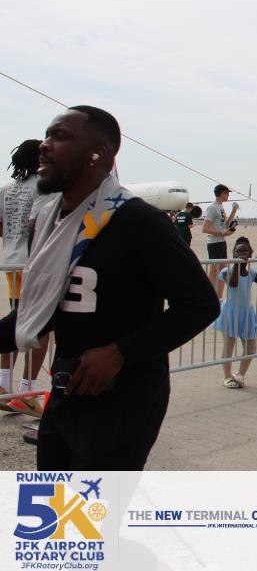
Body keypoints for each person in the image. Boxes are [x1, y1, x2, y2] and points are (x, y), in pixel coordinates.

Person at [0, 106, 219, 469]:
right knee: (48, 504)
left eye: (59, 136)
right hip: (65, 395)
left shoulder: (139, 222)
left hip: (123, 405)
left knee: (91, 507)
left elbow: (200, 304)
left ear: (96, 155)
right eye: (47, 135)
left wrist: (120, 352)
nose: (44, 145)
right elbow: (36, 313)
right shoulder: (52, 223)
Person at [0, 139, 52, 414]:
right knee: (41, 328)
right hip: (35, 264)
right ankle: (27, 391)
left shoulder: (7, 189)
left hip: (11, 263)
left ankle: (3, 384)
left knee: (15, 323)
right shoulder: (44, 186)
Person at [216, 236, 257, 388]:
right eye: (238, 251)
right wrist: (237, 265)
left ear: (250, 253)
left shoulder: (251, 273)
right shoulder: (227, 271)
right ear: (233, 253)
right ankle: (227, 377)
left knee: (250, 347)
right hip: (230, 312)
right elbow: (233, 283)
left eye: (245, 251)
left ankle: (240, 374)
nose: (241, 254)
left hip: (246, 313)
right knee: (229, 345)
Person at [202, 184, 238, 298]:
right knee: (214, 271)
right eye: (227, 193)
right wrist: (222, 233)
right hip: (214, 243)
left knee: (223, 270)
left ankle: (219, 297)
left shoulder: (220, 207)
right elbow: (205, 228)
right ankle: (209, 297)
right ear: (222, 193)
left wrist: (233, 211)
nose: (228, 195)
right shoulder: (212, 208)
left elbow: (225, 225)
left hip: (221, 242)